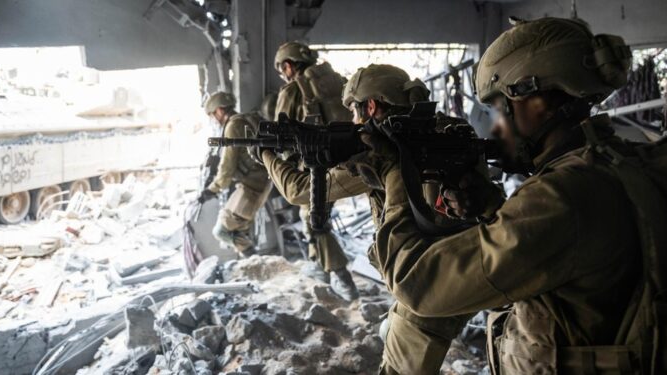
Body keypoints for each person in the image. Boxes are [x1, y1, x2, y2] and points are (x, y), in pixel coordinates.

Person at [353, 17, 667, 374]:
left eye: (500, 107)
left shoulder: (562, 195)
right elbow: (583, 258)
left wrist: (394, 176)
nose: (498, 125)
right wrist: (492, 208)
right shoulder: (653, 159)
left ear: (536, 98)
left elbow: (420, 286)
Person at [254, 64, 480, 374]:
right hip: (475, 263)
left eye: (354, 111)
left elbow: (299, 190)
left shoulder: (383, 152)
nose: (352, 121)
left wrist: (266, 154)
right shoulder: (447, 130)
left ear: (370, 106)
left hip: (427, 280)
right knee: (388, 331)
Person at [267, 41, 358, 301]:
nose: (283, 73)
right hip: (346, 164)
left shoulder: (293, 91)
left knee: (314, 223)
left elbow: (281, 135)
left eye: (282, 69)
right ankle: (320, 268)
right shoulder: (335, 81)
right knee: (316, 219)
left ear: (288, 65)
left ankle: (343, 279)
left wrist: (281, 162)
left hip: (314, 167)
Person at [199, 92, 276, 258]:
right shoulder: (248, 118)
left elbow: (227, 166)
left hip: (251, 188)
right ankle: (251, 264)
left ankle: (257, 264)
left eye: (213, 115)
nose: (214, 119)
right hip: (263, 183)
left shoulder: (232, 126)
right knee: (241, 230)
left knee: (222, 231)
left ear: (219, 110)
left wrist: (212, 190)